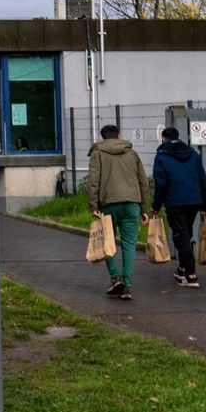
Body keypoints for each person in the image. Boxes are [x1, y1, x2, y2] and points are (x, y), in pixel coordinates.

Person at [86, 123, 150, 300]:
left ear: (103, 137)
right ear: (118, 135)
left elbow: (93, 181)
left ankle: (115, 278)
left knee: (108, 242)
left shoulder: (98, 154)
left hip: (108, 205)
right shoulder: (132, 153)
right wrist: (145, 208)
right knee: (129, 245)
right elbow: (143, 182)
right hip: (132, 205)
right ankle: (127, 285)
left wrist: (94, 206)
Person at [152, 125, 206, 288]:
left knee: (180, 235)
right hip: (194, 200)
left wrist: (155, 206)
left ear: (164, 138)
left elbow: (161, 183)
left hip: (175, 201)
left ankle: (190, 274)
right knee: (186, 233)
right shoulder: (192, 154)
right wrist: (205, 203)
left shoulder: (162, 156)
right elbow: (202, 179)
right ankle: (182, 268)